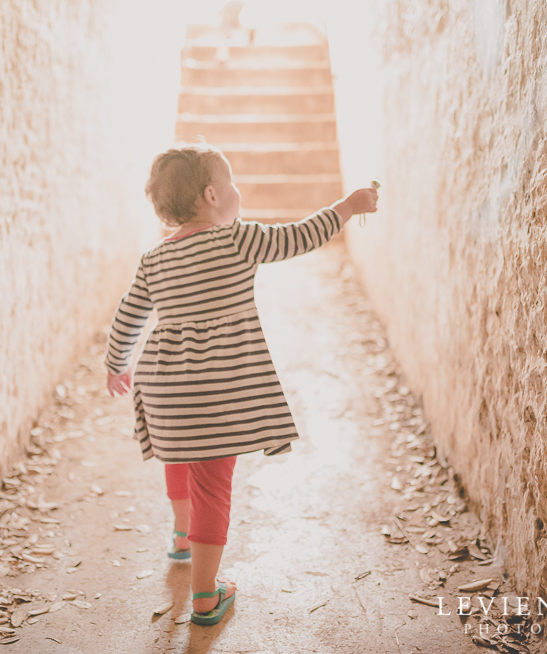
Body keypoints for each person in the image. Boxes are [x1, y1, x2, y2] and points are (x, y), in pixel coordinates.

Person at [104, 142, 378, 626]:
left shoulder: (153, 260)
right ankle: (206, 596)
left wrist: (116, 364)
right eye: (231, 184)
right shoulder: (238, 239)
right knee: (212, 482)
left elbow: (128, 317)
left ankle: (181, 536)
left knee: (179, 454)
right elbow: (301, 235)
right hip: (219, 391)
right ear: (212, 195)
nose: (236, 192)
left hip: (164, 385)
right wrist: (349, 207)